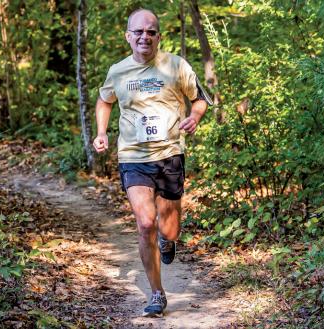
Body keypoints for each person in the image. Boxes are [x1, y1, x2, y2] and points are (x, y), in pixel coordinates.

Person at [92, 8, 212, 317]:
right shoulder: (118, 71)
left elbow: (200, 98)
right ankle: (157, 293)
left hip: (169, 154)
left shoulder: (175, 65)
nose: (145, 36)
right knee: (145, 223)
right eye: (139, 32)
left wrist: (195, 116)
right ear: (128, 36)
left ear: (158, 36)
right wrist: (102, 132)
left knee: (169, 229)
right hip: (133, 157)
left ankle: (168, 240)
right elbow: (105, 100)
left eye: (151, 31)